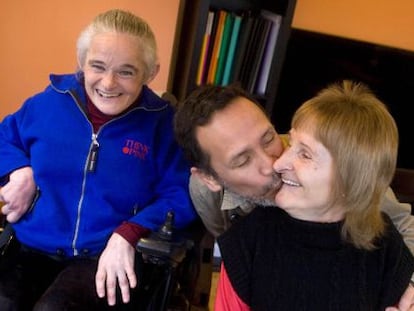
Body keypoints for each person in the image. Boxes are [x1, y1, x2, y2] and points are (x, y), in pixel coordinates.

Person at [0, 9, 196, 310]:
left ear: (151, 72)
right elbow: (6, 136)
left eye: (126, 71)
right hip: (30, 246)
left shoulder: (163, 124)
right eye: (98, 66)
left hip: (103, 255)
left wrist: (130, 231)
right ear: (82, 64)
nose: (108, 83)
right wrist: (19, 170)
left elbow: (180, 193)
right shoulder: (48, 102)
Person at [173, 83, 414, 310]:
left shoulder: (339, 163)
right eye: (243, 160)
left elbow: (403, 228)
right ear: (211, 179)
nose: (275, 163)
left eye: (269, 138)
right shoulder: (215, 204)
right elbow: (236, 265)